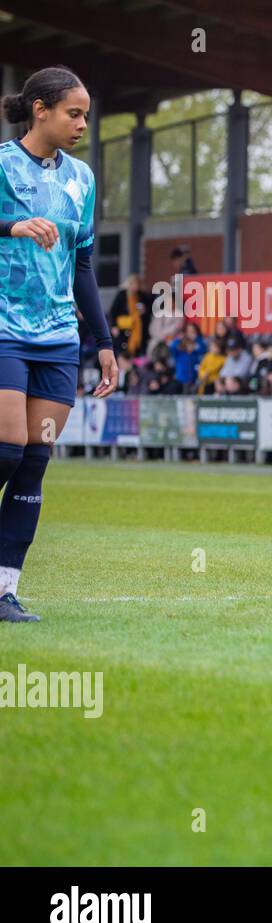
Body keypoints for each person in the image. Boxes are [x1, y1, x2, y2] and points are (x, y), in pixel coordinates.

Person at [0, 66, 117, 621]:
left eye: (86, 115)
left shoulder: (83, 179)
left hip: (58, 340)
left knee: (33, 463)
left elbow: (84, 265)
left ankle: (3, 592)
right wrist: (10, 227)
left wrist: (104, 342)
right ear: (39, 109)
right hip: (3, 331)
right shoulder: (1, 164)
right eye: (74, 113)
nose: (82, 124)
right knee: (6, 449)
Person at [108, 273, 155, 359]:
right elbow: (113, 311)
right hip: (124, 329)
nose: (135, 287)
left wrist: (145, 310)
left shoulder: (142, 296)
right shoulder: (122, 295)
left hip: (139, 331)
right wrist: (113, 326)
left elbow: (151, 310)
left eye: (137, 284)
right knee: (122, 354)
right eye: (133, 284)